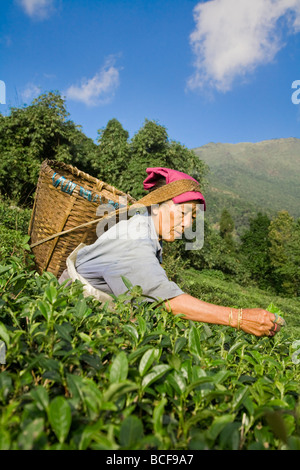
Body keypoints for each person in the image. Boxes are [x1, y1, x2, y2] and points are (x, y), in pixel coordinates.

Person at [59, 167, 285, 338]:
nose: (187, 224)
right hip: (67, 321)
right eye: (183, 212)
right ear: (157, 205)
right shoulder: (134, 237)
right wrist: (239, 318)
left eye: (193, 218)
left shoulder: (148, 233)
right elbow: (164, 300)